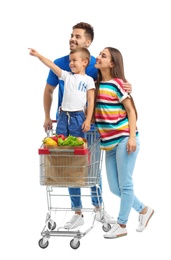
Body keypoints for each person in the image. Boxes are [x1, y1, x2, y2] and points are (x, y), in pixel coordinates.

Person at [41, 22, 132, 229]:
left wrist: (127, 85)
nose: (73, 39)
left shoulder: (94, 65)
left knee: (92, 169)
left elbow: (113, 82)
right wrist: (47, 115)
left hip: (90, 125)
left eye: (78, 36)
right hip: (66, 123)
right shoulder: (60, 63)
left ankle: (99, 209)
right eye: (71, 35)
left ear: (88, 42)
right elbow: (48, 91)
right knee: (71, 168)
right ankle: (78, 212)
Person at [94, 47, 154, 238]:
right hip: (108, 143)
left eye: (103, 55)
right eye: (99, 54)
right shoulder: (94, 85)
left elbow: (131, 111)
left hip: (124, 139)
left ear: (112, 64)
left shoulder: (118, 84)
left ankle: (121, 225)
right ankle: (144, 210)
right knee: (114, 187)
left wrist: (132, 137)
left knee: (125, 184)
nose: (98, 56)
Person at [29, 47, 95, 136]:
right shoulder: (66, 76)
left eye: (74, 60)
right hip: (63, 115)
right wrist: (38, 55)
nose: (71, 63)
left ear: (85, 62)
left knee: (78, 144)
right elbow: (51, 65)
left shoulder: (88, 80)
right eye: (70, 61)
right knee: (60, 142)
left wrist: (88, 120)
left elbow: (91, 101)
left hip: (78, 116)